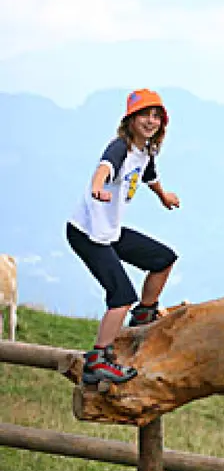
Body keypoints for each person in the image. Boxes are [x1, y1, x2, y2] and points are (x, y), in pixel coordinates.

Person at [66, 89, 181, 384]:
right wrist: (97, 186)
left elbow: (148, 174)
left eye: (156, 116)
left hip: (110, 231)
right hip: (88, 233)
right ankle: (98, 359)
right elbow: (104, 166)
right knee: (120, 297)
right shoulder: (120, 147)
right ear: (130, 119)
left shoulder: (145, 151)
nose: (151, 121)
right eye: (145, 114)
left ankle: (144, 313)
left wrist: (163, 196)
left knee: (163, 258)